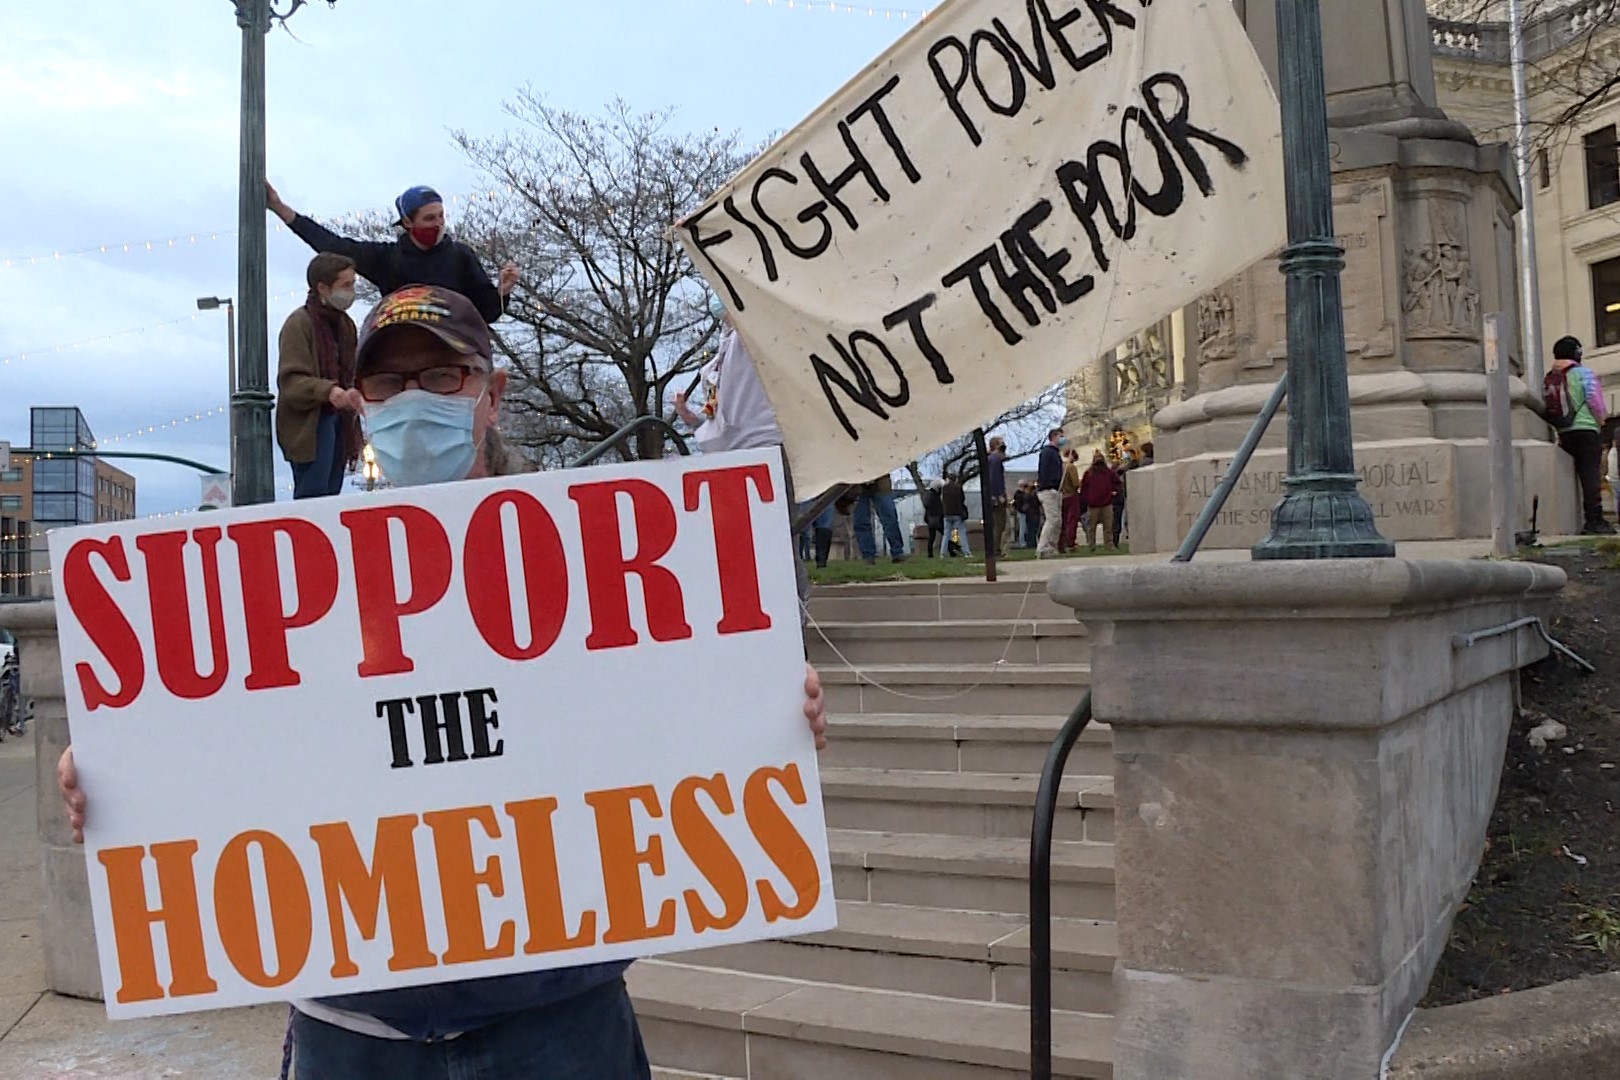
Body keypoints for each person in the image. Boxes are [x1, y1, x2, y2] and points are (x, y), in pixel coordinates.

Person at [55, 285, 831, 1080]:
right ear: (361, 406)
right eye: (389, 384)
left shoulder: (595, 558)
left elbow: (666, 715)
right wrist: (126, 778)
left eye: (443, 377)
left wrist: (761, 708)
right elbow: (232, 753)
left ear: (491, 395)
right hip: (354, 1035)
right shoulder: (276, 590)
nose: (412, 400)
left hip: (558, 1021)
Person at [266, 181, 517, 325]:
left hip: (453, 355)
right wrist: (281, 209)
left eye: (441, 216)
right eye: (429, 218)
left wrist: (502, 291)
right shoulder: (387, 258)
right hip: (403, 353)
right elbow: (333, 245)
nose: (438, 223)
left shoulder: (462, 256)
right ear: (407, 222)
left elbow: (487, 312)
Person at [277, 253, 365, 500]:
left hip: (340, 421)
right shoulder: (299, 324)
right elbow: (291, 381)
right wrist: (328, 391)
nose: (352, 292)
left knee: (330, 494)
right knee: (312, 495)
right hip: (311, 426)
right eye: (345, 285)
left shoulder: (346, 325)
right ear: (323, 288)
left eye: (352, 284)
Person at [1545, 335, 1614, 535]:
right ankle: (1594, 520)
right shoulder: (1583, 373)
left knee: (1569, 477)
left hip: (1564, 432)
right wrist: (1601, 420)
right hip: (1585, 429)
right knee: (1590, 476)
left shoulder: (1551, 376)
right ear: (1577, 353)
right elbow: (1594, 401)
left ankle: (1569, 520)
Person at [853, 475, 906, 564]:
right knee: (861, 521)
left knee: (889, 518)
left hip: (879, 480)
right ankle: (868, 556)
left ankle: (897, 552)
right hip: (856, 483)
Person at [1080, 450, 1124, 550]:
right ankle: (1092, 545)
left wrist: (1114, 492)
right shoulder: (1088, 474)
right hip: (1093, 505)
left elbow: (1118, 483)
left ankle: (1109, 545)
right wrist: (1087, 498)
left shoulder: (1109, 473)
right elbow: (1084, 488)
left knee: (1108, 526)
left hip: (1107, 503)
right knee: (1092, 527)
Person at [1036, 429, 1067, 557]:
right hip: (1048, 490)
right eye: (1061, 436)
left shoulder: (1055, 453)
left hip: (1056, 490)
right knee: (1052, 519)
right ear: (1054, 437)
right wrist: (1050, 486)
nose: (1063, 438)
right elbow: (1044, 472)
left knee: (1057, 521)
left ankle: (1052, 547)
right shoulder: (1047, 452)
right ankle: (1043, 547)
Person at [985, 436, 1008, 558]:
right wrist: (1000, 494)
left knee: (997, 524)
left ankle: (995, 549)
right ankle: (996, 550)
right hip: (996, 497)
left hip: (992, 496)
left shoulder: (990, 459)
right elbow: (995, 479)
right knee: (1000, 524)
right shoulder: (995, 460)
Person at [942, 472, 972, 557]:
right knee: (962, 533)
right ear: (955, 479)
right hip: (957, 513)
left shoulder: (944, 488)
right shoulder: (958, 487)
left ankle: (943, 553)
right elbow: (962, 499)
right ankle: (967, 553)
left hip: (947, 513)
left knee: (946, 534)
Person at [1059, 449, 1083, 553]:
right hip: (1071, 496)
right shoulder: (1071, 467)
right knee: (1071, 521)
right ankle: (1070, 543)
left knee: (1063, 521)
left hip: (1062, 496)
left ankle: (1061, 543)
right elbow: (1075, 483)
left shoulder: (1060, 467)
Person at [921, 479, 946, 558]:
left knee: (932, 537)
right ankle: (951, 549)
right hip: (937, 518)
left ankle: (930, 553)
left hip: (930, 518)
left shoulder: (927, 495)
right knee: (945, 534)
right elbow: (939, 508)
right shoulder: (935, 497)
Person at [1111, 454, 1132, 548]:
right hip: (1117, 501)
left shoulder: (1116, 475)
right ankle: (1114, 541)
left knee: (1118, 521)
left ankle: (1115, 541)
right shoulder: (1116, 477)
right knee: (1117, 522)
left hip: (1118, 500)